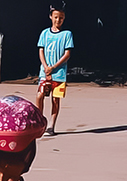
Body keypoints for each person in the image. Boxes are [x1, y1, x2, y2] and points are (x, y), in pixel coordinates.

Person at [35, 3, 74, 136]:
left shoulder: (67, 34)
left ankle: (51, 125)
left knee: (55, 99)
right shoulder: (44, 33)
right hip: (44, 73)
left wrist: (54, 67)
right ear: (51, 17)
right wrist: (46, 67)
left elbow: (67, 54)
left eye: (61, 18)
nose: (58, 20)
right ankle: (39, 121)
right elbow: (41, 51)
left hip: (59, 74)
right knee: (40, 94)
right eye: (56, 17)